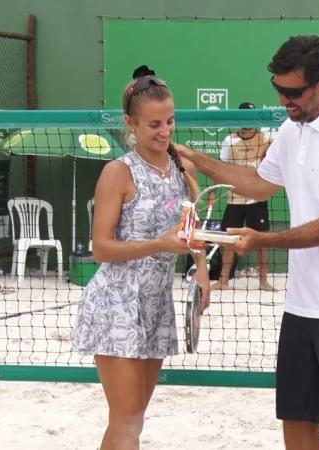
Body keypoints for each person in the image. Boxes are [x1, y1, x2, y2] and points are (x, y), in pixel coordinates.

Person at [177, 35, 319, 450]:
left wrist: (262, 239)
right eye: (278, 89)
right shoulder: (292, 128)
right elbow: (258, 182)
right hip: (301, 304)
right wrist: (197, 159)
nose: (284, 99)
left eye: (293, 91)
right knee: (295, 417)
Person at [72, 73, 211, 450]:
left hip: (156, 304)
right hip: (117, 304)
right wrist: (158, 243)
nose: (165, 131)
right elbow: (100, 248)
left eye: (169, 121)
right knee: (128, 420)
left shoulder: (182, 168)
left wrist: (202, 269)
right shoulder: (118, 172)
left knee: (130, 421)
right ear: (131, 124)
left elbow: (188, 227)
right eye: (154, 124)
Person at [212, 101, 274, 291]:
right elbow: (219, 170)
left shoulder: (267, 138)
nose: (247, 123)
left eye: (251, 119)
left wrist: (268, 152)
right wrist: (212, 194)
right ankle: (223, 280)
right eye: (243, 119)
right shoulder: (229, 141)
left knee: (263, 239)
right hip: (235, 197)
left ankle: (263, 280)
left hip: (257, 196)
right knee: (227, 239)